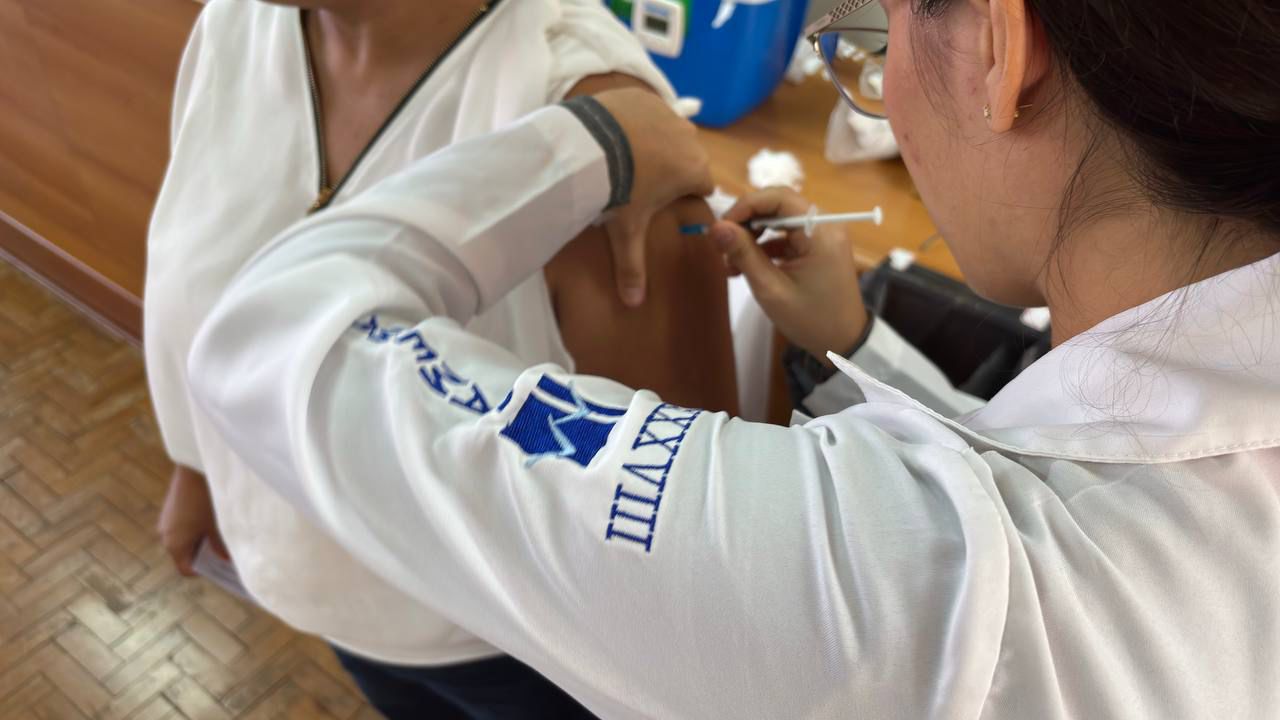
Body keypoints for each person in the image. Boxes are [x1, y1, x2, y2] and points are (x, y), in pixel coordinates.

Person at [187, 0, 1280, 716]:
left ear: (998, 49)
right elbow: (1051, 475)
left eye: (880, 28)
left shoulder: (911, 596)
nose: (881, 78)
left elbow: (271, 337)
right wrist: (854, 341)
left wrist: (602, 142)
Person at [144, 0, 737, 716]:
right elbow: (196, 282)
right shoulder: (239, 23)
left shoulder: (596, 125)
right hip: (335, 609)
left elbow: (686, 548)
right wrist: (197, 464)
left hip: (519, 654)